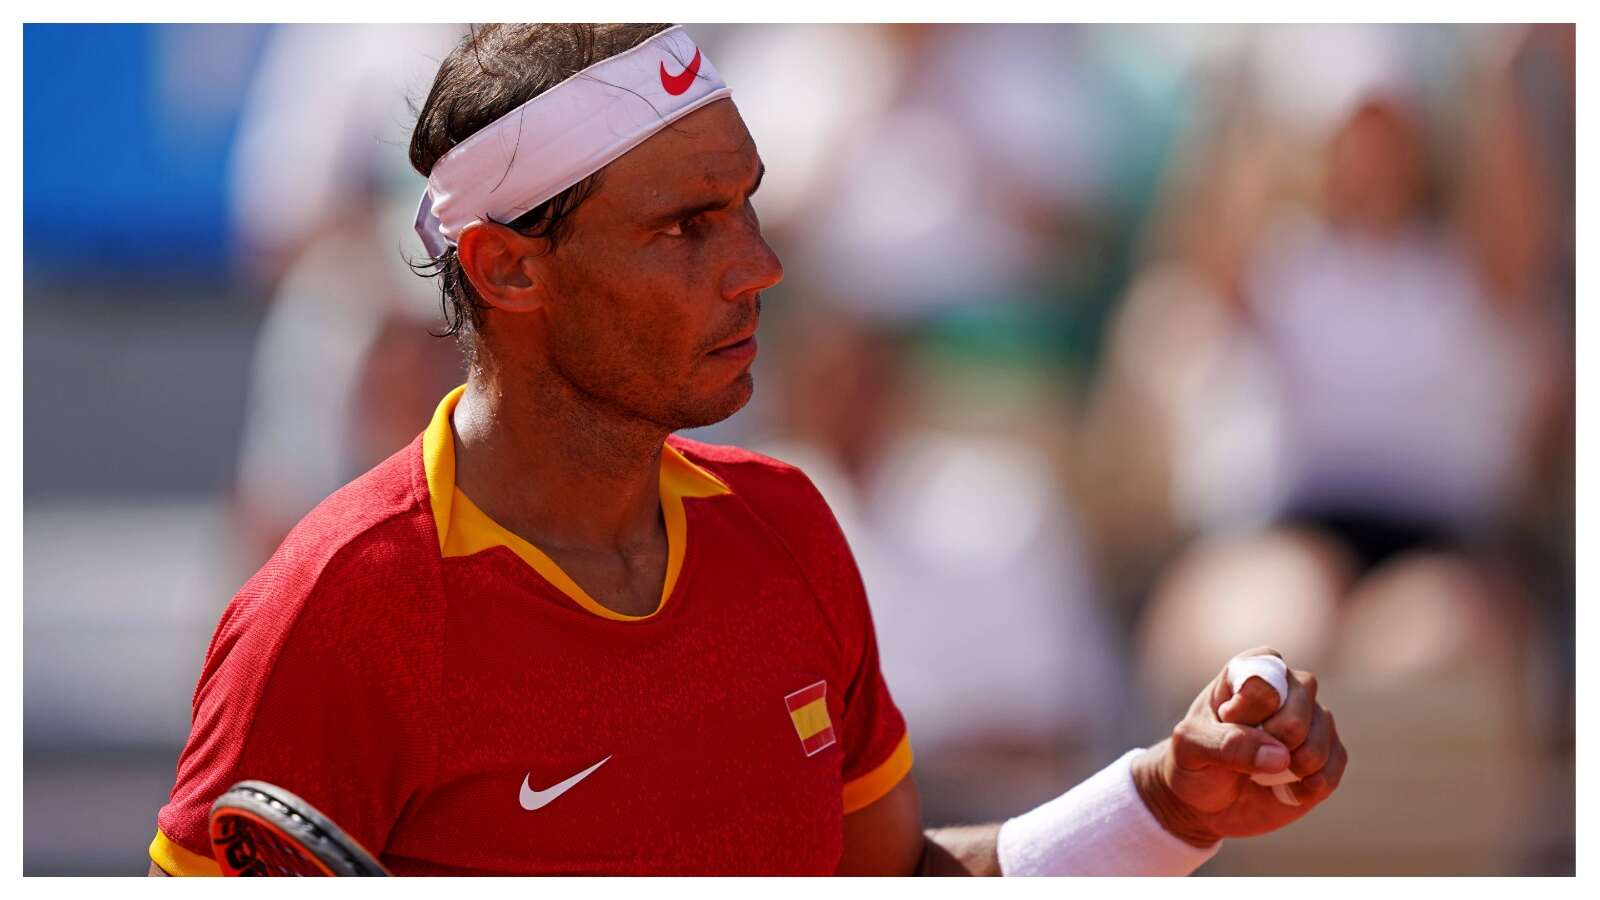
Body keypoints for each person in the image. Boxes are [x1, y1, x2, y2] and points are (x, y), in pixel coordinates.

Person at [148, 23, 1345, 876]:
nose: (758, 266)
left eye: (747, 205)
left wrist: (1167, 804)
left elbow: (887, 879)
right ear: (509, 268)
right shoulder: (335, 608)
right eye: (684, 226)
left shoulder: (785, 525)